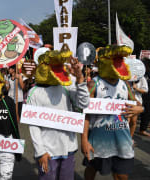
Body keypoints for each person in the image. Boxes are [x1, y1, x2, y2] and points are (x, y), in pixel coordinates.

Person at [26, 50, 89, 180]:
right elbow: (33, 125)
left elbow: (83, 103)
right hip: (47, 151)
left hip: (68, 148)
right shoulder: (34, 92)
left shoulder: (68, 83)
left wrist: (80, 78)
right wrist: (40, 151)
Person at [82, 45, 141, 180]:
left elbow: (135, 107)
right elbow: (85, 114)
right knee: (91, 169)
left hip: (122, 139)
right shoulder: (93, 84)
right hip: (99, 139)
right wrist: (84, 139)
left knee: (121, 174)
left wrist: (131, 134)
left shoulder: (125, 85)